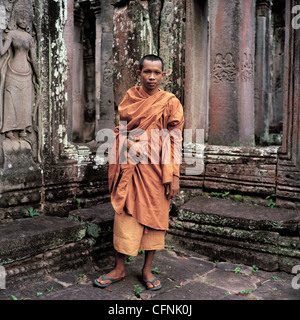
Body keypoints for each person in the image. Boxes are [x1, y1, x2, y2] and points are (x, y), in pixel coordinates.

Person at [94, 54, 184, 291]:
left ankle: (146, 269)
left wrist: (174, 175)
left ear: (163, 75)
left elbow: (175, 139)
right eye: (147, 72)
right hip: (131, 168)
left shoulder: (170, 102)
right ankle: (119, 267)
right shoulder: (131, 98)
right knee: (124, 214)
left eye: (156, 72)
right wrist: (128, 143)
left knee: (155, 218)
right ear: (139, 74)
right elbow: (119, 130)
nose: (152, 77)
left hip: (157, 170)